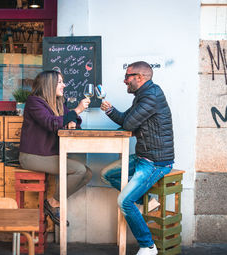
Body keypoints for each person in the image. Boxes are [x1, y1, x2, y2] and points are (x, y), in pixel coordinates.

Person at [100, 61, 174, 255]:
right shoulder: (143, 95)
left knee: (124, 202)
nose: (125, 81)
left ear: (139, 78)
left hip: (156, 162)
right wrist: (109, 110)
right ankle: (146, 201)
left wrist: (124, 121)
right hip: (143, 157)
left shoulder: (152, 96)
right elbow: (126, 119)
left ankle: (148, 246)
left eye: (127, 77)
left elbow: (129, 124)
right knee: (107, 174)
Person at [19, 70, 92, 226]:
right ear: (49, 84)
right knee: (79, 170)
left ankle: (52, 202)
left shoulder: (59, 102)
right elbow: (51, 123)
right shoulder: (34, 102)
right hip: (33, 156)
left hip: (49, 155)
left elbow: (73, 121)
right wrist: (77, 110)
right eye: (60, 82)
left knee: (87, 174)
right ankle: (54, 203)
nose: (64, 85)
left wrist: (73, 121)